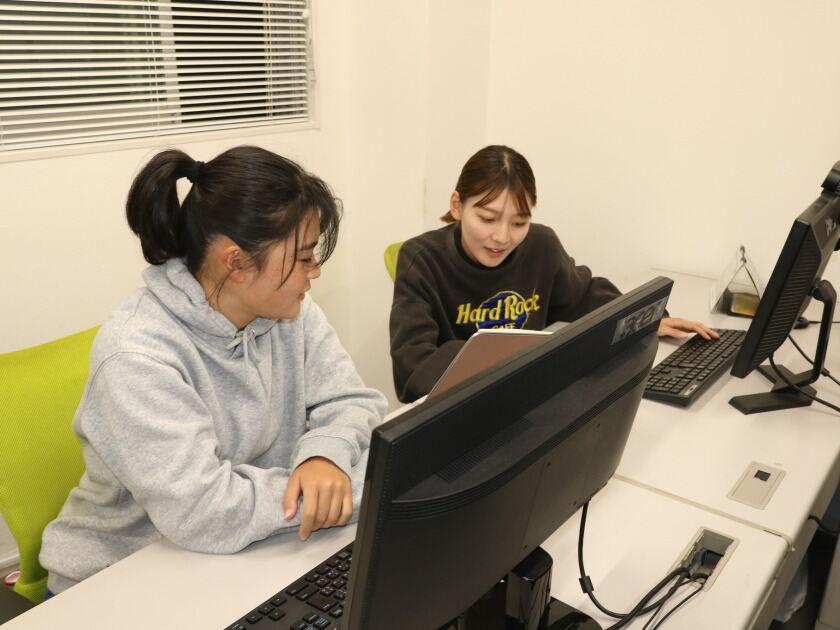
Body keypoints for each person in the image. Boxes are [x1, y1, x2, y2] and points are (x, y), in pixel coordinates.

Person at [39, 146, 387, 595]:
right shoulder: (137, 357)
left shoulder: (288, 308)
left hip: (241, 551)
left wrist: (324, 457)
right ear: (236, 263)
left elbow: (350, 400)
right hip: (119, 582)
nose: (314, 271)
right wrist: (356, 492)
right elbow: (205, 512)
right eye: (302, 257)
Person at [389, 145, 715, 403]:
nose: (502, 237)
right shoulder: (421, 260)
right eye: (488, 218)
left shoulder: (540, 244)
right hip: (462, 407)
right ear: (457, 206)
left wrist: (645, 319)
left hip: (530, 397)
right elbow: (414, 368)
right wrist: (503, 362)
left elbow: (583, 295)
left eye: (519, 222)